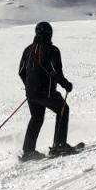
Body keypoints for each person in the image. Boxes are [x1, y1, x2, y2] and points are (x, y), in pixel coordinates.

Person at [18, 21, 74, 160]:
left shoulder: (27, 49)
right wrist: (66, 85)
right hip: (46, 92)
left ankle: (28, 151)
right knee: (63, 109)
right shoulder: (52, 50)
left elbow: (21, 72)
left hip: (31, 93)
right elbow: (56, 72)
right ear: (50, 34)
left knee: (36, 118)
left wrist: (29, 86)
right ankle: (59, 145)